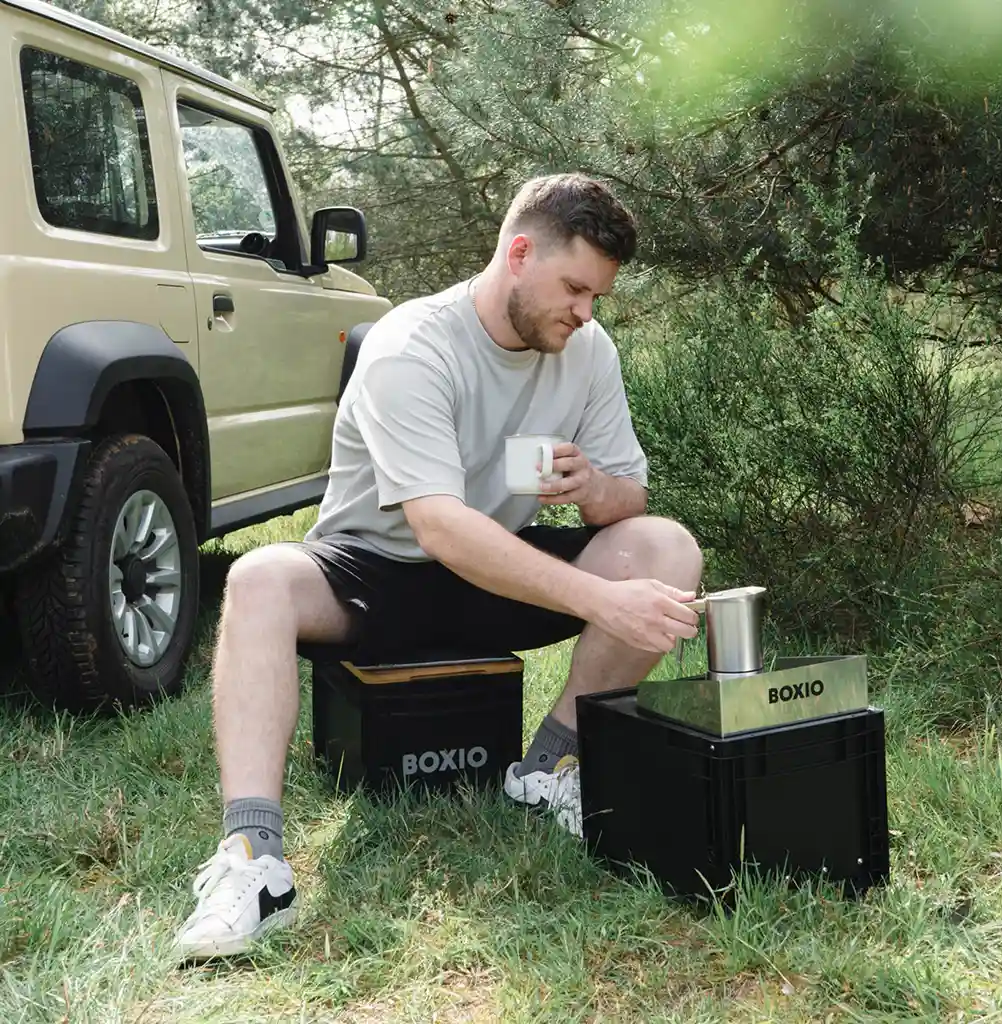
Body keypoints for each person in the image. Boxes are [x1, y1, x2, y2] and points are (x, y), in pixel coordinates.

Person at [173, 172, 704, 961]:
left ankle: (550, 768)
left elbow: (631, 496)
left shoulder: (587, 349)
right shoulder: (410, 343)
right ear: (519, 253)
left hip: (499, 569)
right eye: (574, 288)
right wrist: (602, 600)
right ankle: (254, 862)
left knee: (666, 547)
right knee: (257, 580)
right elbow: (441, 527)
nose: (586, 312)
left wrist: (593, 486)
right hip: (374, 574)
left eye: (598, 296)